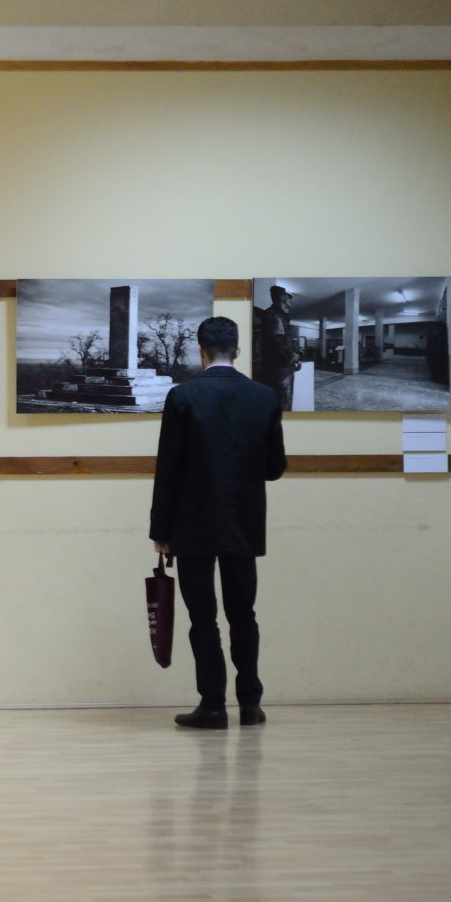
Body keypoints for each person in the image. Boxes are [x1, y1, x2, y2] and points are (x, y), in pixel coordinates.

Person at [150, 315, 289, 729]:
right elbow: (274, 468)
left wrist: (160, 530)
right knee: (243, 614)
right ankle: (251, 704)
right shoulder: (264, 396)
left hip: (191, 526)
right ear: (238, 351)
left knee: (202, 618)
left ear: (201, 350)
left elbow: (168, 470)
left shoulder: (183, 396)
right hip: (244, 522)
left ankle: (212, 705)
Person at [252, 284, 300, 412]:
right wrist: (292, 355)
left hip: (282, 366)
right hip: (279, 368)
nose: (290, 301)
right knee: (283, 402)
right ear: (282, 298)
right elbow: (278, 341)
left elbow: (284, 340)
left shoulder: (280, 315)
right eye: (289, 298)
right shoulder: (274, 315)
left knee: (284, 399)